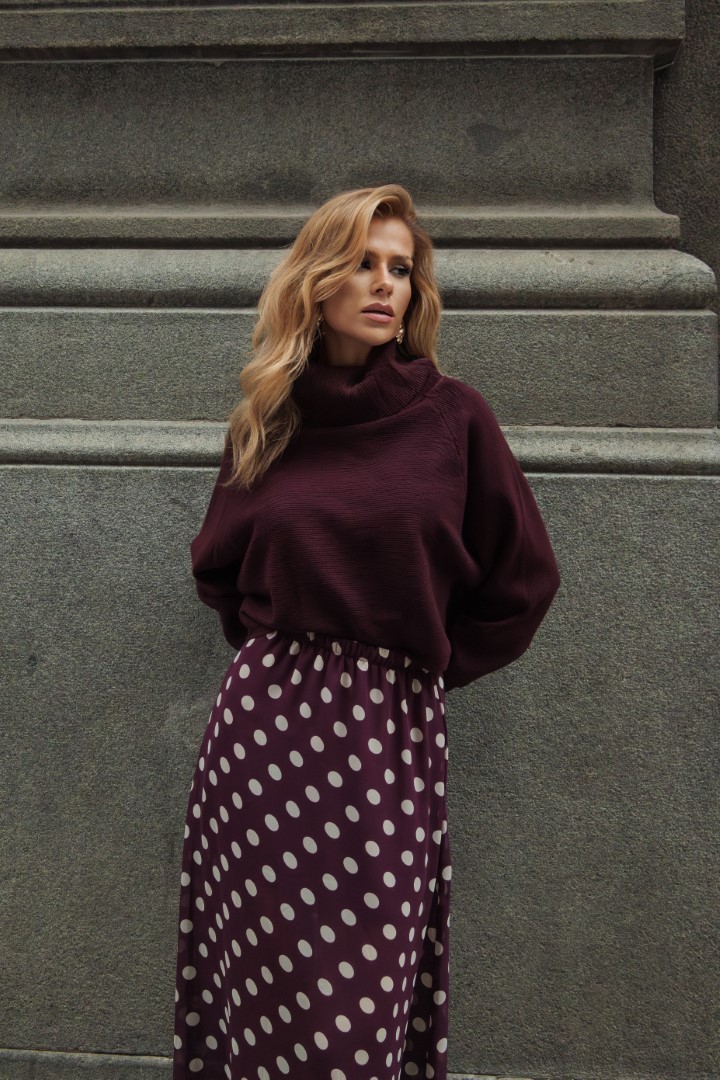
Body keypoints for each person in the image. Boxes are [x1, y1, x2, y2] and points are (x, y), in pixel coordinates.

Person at [172, 183, 561, 1080]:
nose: (387, 284)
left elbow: (524, 581)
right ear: (316, 281)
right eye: (363, 263)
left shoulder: (454, 418)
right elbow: (217, 569)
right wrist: (284, 659)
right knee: (256, 992)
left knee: (357, 1005)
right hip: (262, 745)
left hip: (387, 733)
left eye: (403, 269)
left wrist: (419, 665)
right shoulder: (269, 419)